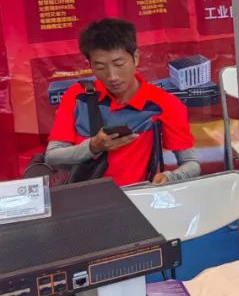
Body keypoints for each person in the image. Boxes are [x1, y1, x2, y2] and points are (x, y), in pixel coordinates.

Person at [45, 18, 201, 187]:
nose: (112, 76)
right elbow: (52, 156)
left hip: (138, 195)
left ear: (136, 58)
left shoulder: (164, 103)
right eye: (100, 67)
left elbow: (192, 164)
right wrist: (93, 146)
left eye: (119, 64)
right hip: (84, 194)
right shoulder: (77, 96)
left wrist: (171, 177)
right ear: (90, 65)